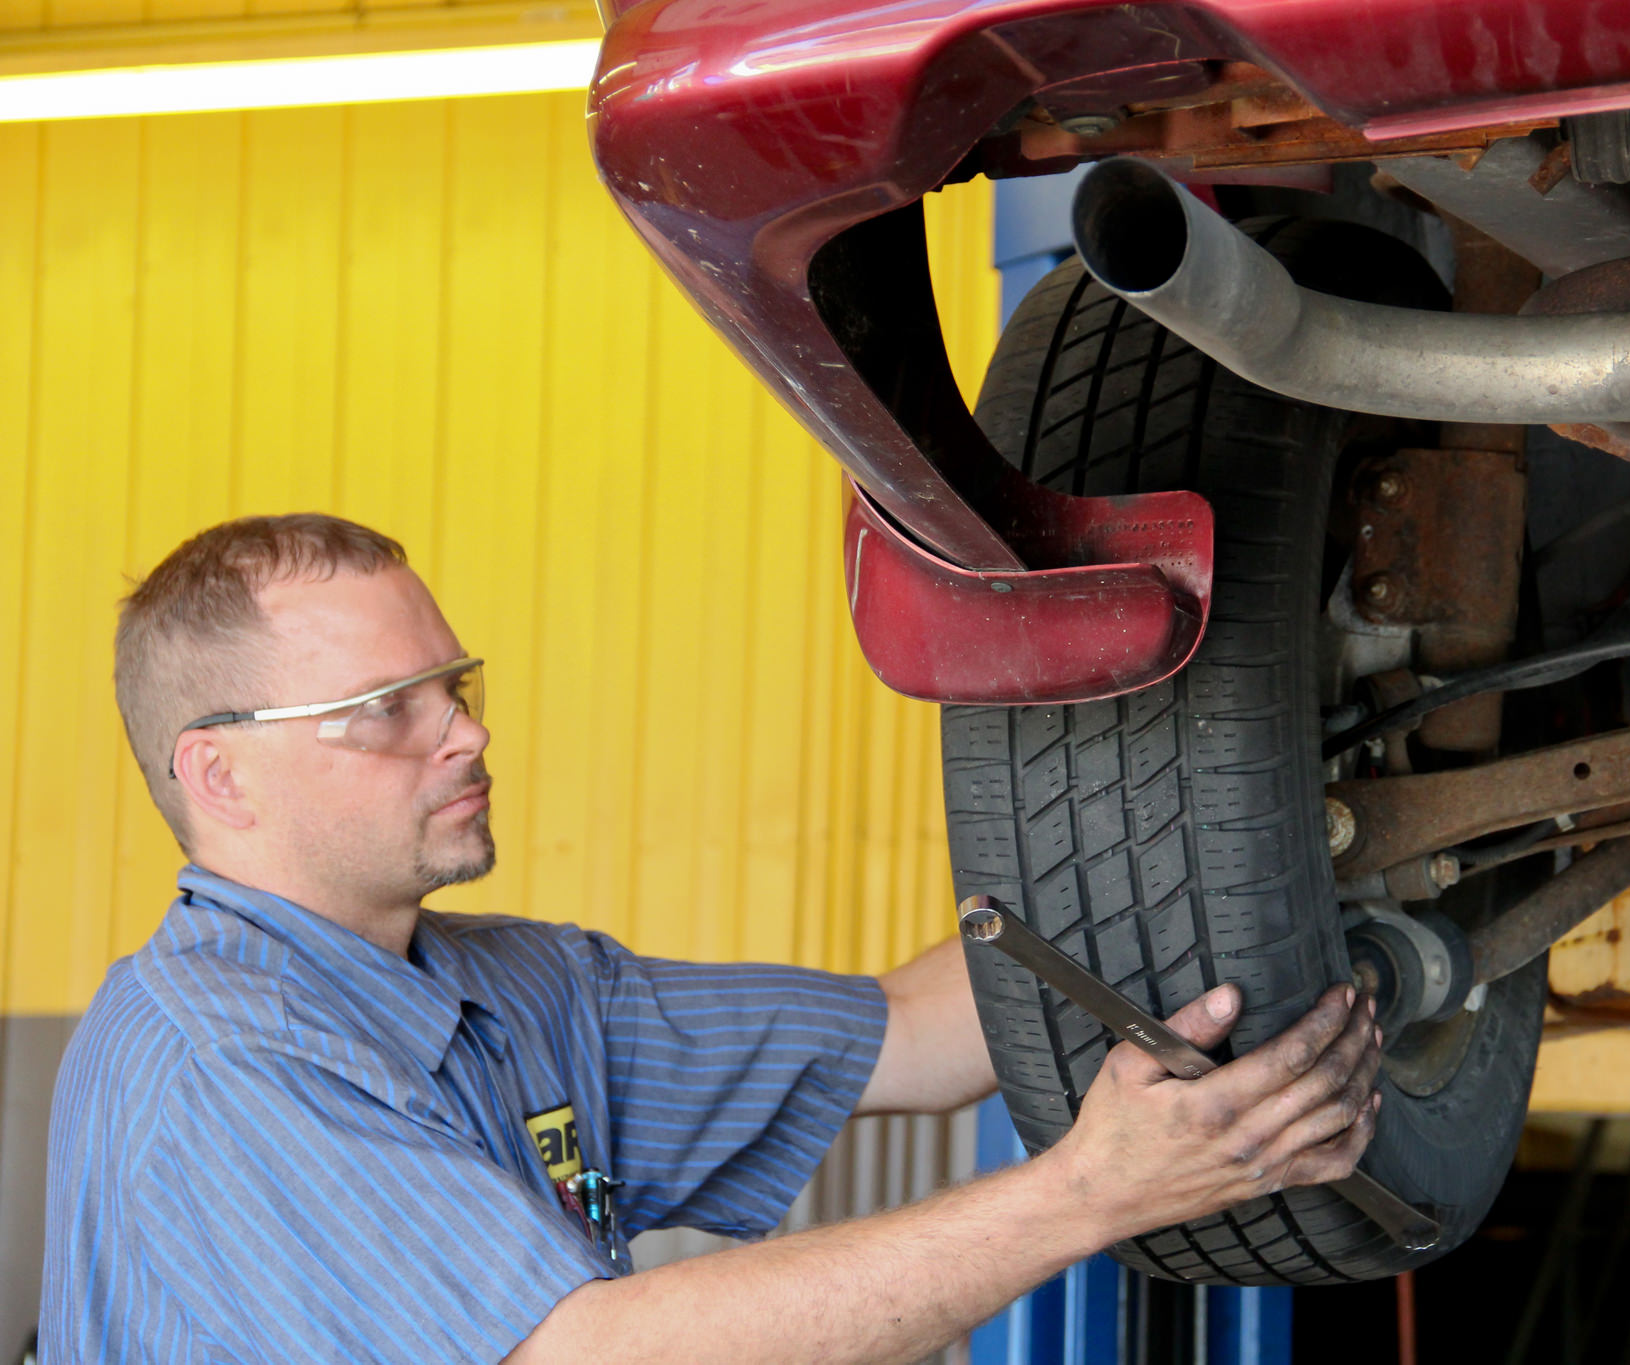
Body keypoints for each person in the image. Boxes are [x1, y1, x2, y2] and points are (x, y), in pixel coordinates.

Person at [41, 513, 1382, 1364]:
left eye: (459, 686)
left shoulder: (519, 988)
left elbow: (910, 1035)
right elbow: (583, 1354)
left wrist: (1221, 858)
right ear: (219, 776)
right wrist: (1094, 1188)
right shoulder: (220, 1060)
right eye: (391, 706)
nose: (467, 731)